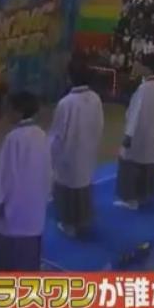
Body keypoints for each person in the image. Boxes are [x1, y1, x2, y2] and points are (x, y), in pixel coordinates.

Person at [0, 92, 51, 271]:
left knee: (9, 240)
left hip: (14, 203)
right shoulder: (41, 134)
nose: (6, 113)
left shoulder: (13, 138)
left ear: (18, 111)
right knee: (29, 242)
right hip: (35, 202)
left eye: (8, 109)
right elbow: (47, 169)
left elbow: (4, 173)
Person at [50, 61, 104, 237]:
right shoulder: (95, 98)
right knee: (83, 183)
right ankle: (83, 220)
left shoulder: (66, 103)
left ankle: (69, 223)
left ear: (69, 78)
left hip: (69, 153)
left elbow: (57, 134)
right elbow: (100, 124)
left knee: (69, 187)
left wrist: (51, 153)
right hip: (87, 148)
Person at [115, 54, 154, 210]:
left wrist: (128, 135)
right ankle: (145, 194)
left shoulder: (144, 88)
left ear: (148, 68)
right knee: (147, 163)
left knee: (130, 163)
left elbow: (135, 113)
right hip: (153, 132)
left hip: (139, 134)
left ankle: (130, 198)